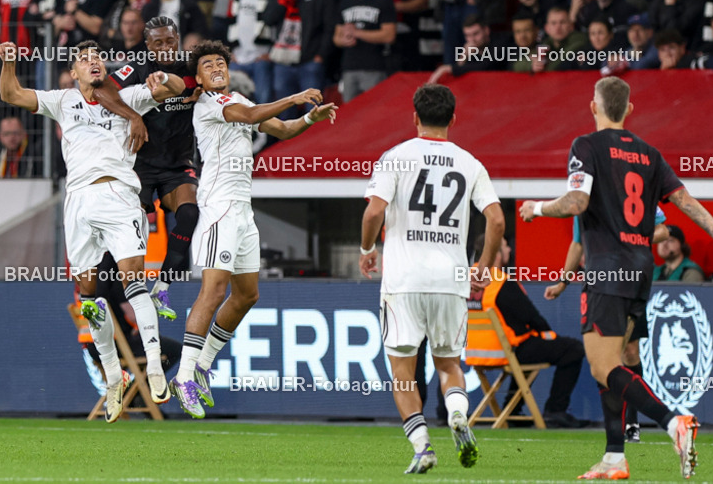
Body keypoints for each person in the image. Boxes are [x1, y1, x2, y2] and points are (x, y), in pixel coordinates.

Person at [519, 76, 713, 479]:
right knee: (614, 362)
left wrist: (536, 208)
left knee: (602, 367)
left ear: (593, 107)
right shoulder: (649, 153)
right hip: (640, 270)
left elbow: (577, 201)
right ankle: (614, 457)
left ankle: (673, 422)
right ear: (629, 109)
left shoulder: (586, 145)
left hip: (607, 268)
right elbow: (684, 201)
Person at [0, 38, 187, 421]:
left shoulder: (129, 96)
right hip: (79, 202)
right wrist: (9, 62)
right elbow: (12, 94)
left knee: (133, 279)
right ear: (73, 72)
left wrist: (165, 79)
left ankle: (153, 365)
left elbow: (178, 89)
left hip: (119, 196)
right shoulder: (63, 100)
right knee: (89, 292)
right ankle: (113, 377)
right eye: (83, 59)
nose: (92, 62)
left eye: (97, 57)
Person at [168, 41, 337, 419]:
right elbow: (249, 114)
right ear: (198, 79)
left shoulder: (238, 99)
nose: (217, 67)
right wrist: (295, 96)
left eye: (221, 62)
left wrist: (311, 117)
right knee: (213, 291)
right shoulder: (210, 103)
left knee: (247, 295)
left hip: (243, 211)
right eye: (208, 65)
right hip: (220, 209)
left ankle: (202, 366)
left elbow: (284, 129)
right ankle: (184, 376)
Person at [359, 83, 504, 474]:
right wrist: (483, 265)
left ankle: (422, 446)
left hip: (403, 281)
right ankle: (457, 414)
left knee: (403, 373)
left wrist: (367, 248)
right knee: (449, 365)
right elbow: (496, 220)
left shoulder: (395, 157)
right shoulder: (470, 163)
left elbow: (373, 212)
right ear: (453, 119)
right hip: (450, 281)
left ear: (414, 117)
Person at [546, 208, 670, 443]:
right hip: (599, 284)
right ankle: (617, 429)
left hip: (630, 280)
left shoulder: (634, 194)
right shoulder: (582, 202)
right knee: (605, 357)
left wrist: (630, 238)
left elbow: (663, 231)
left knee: (630, 351)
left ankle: (632, 421)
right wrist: (563, 282)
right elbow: (577, 243)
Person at [108, 17, 201, 321]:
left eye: (170, 41)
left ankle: (161, 288)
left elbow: (216, 82)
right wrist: (133, 117)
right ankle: (103, 295)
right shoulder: (135, 68)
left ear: (178, 39)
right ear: (147, 45)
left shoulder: (192, 68)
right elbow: (103, 91)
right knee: (124, 227)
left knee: (189, 214)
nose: (165, 47)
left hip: (178, 165)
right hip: (141, 167)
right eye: (158, 42)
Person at [466, 234, 588, 429]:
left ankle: (512, 411)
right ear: (496, 253)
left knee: (527, 345)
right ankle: (555, 410)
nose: (509, 250)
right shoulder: (501, 281)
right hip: (504, 352)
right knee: (572, 349)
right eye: (505, 246)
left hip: (473, 353)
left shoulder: (464, 279)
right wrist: (547, 333)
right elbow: (530, 316)